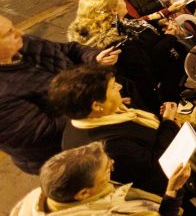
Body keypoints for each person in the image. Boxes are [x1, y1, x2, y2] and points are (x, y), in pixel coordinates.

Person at [0, 14, 117, 175]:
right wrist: (99, 104)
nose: (20, 32)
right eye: (9, 33)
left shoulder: (24, 43)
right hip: (70, 155)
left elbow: (68, 50)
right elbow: (42, 133)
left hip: (96, 119)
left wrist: (94, 57)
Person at [48, 65, 180, 196]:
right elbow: (156, 164)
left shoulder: (85, 116)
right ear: (96, 105)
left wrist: (115, 105)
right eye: (112, 87)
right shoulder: (107, 146)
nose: (119, 86)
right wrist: (169, 122)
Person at [67, 0, 188, 109]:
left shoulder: (116, 22)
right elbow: (151, 61)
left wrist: (158, 24)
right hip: (155, 88)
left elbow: (138, 25)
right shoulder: (117, 43)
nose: (123, 0)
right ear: (114, 10)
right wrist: (169, 36)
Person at [11, 141, 190, 215]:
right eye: (107, 168)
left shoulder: (46, 192)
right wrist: (172, 191)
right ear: (83, 193)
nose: (112, 164)